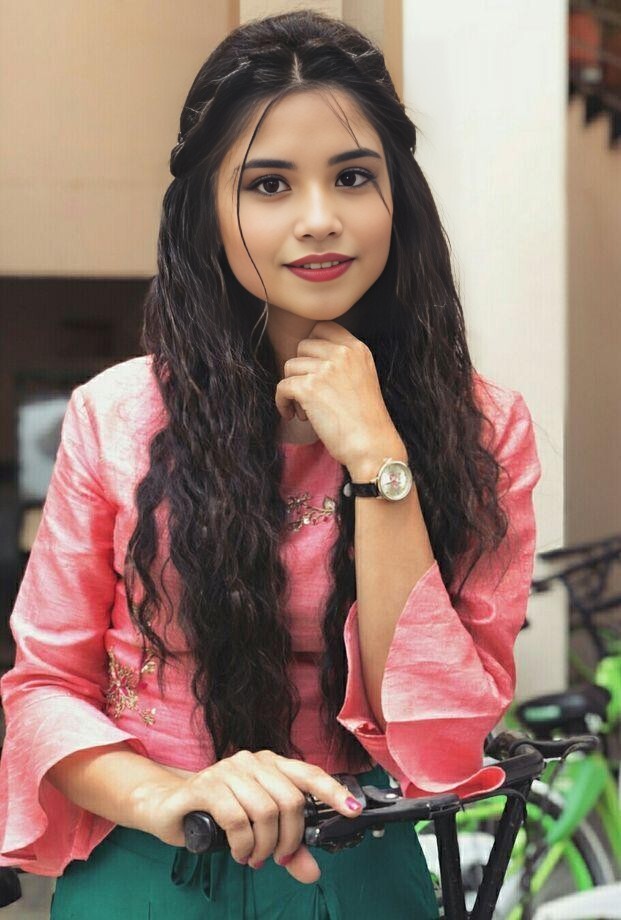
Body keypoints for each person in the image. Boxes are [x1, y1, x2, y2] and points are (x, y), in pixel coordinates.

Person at [0, 8, 542, 919]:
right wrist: (172, 795)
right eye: (268, 185)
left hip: (361, 872)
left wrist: (377, 456)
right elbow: (45, 688)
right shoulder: (117, 416)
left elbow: (441, 741)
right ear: (208, 212)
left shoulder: (482, 428)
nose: (318, 220)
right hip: (153, 869)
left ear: (398, 197)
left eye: (353, 177)